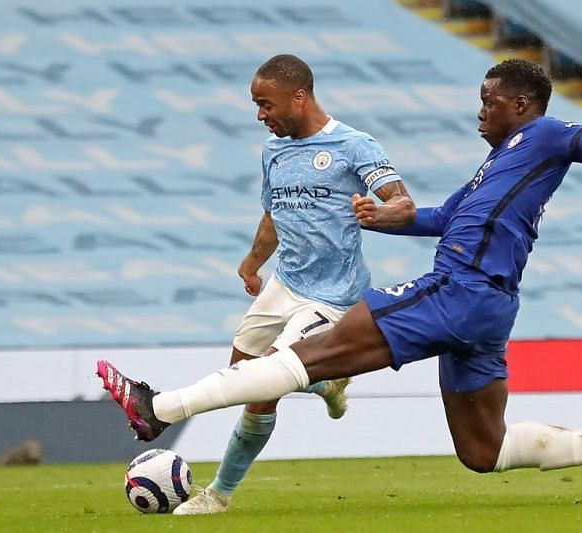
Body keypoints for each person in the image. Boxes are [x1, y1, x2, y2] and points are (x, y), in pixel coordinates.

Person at [98, 59, 582, 496]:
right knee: (482, 450)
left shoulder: (545, 134)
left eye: (488, 102)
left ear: (520, 104)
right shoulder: (498, 163)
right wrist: (377, 220)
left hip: (458, 290)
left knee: (310, 355)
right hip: (487, 309)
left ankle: (160, 407)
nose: (480, 112)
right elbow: (441, 216)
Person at [142, 54, 415, 515]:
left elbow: (403, 203)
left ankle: (219, 496)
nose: (260, 116)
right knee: (244, 382)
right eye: (257, 105)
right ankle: (326, 383)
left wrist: (380, 212)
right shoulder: (274, 152)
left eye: (266, 105)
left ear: (299, 96)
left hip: (332, 295)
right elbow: (273, 215)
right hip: (283, 285)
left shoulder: (354, 146)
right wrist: (251, 264)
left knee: (262, 379)